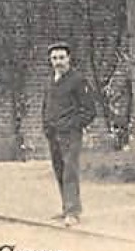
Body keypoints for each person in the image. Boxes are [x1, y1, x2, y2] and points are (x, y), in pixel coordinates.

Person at [41, 42, 97, 226]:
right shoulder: (50, 81)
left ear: (69, 58)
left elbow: (89, 111)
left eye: (62, 58)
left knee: (70, 171)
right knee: (59, 170)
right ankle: (66, 207)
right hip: (53, 134)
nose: (58, 62)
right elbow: (46, 106)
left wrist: (73, 125)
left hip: (70, 135)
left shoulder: (78, 81)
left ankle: (73, 212)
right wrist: (47, 126)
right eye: (54, 58)